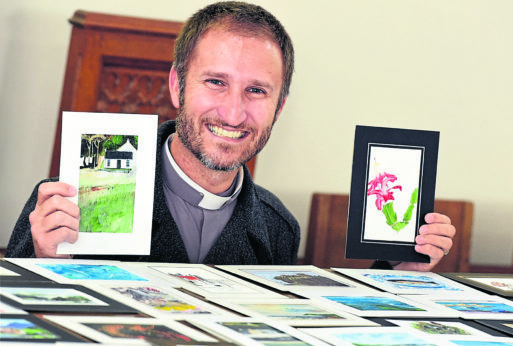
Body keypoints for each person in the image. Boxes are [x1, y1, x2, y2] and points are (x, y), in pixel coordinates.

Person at [6, 1, 454, 270]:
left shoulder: (279, 228)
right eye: (215, 82)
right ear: (177, 85)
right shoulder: (72, 199)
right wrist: (45, 261)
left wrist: (396, 270)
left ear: (278, 107)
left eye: (256, 91)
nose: (235, 112)